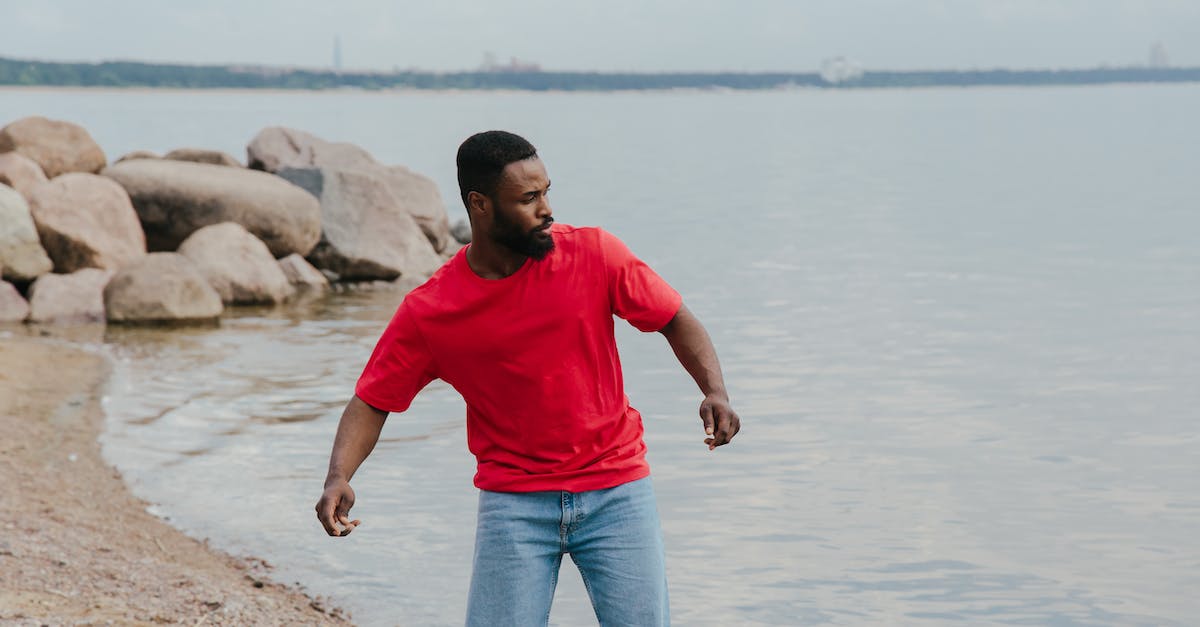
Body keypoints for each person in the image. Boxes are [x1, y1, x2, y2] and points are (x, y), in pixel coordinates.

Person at [315, 130, 740, 626]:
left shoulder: (595, 254)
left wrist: (714, 390)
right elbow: (373, 400)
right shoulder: (431, 311)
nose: (547, 209)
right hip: (513, 505)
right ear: (480, 205)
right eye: (529, 198)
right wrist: (339, 476)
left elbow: (673, 317)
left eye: (547, 192)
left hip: (618, 492)